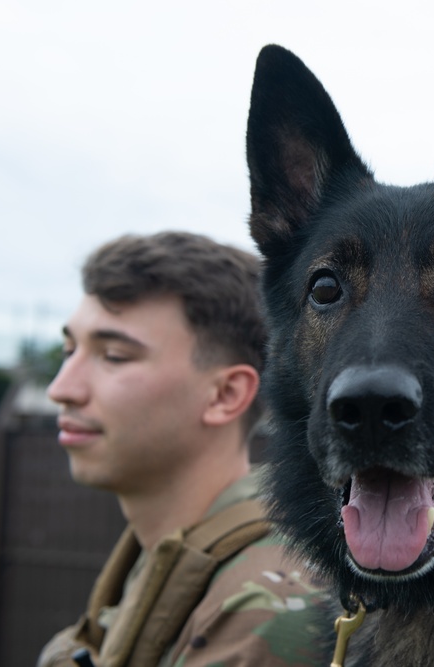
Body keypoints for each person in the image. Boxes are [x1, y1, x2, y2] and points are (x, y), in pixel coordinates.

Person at [37, 231, 330, 667]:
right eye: (68, 350)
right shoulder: (159, 554)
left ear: (226, 395)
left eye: (114, 355)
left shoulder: (264, 612)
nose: (61, 389)